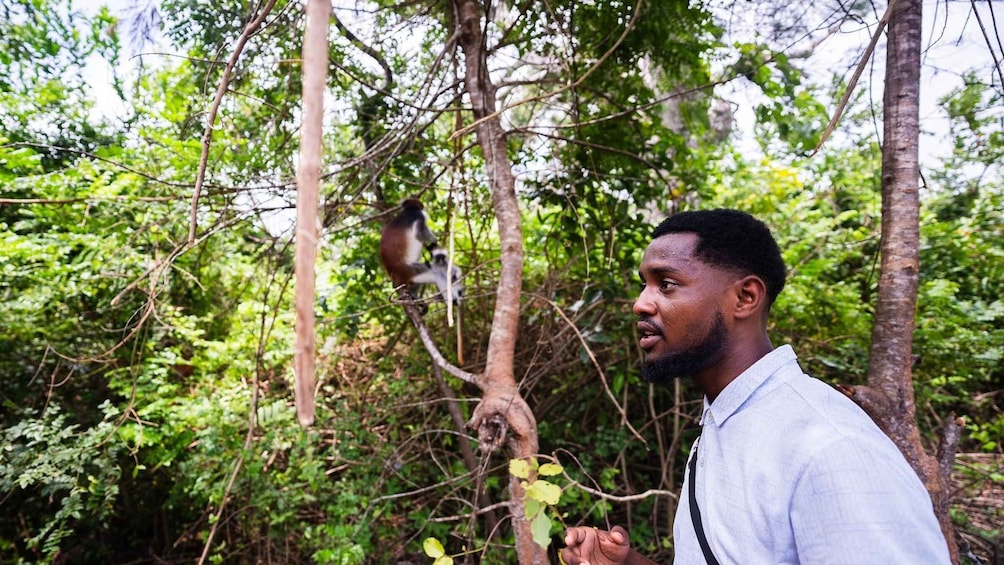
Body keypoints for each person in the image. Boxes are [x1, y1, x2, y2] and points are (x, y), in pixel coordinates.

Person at [561, 209, 951, 565]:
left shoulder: (830, 446)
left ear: (745, 297)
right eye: (644, 284)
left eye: (666, 284)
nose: (640, 304)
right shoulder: (725, 420)